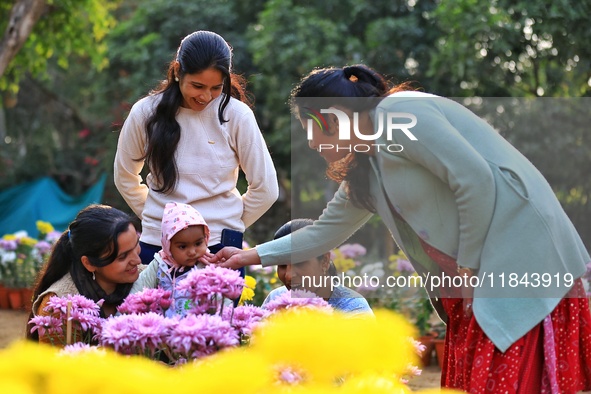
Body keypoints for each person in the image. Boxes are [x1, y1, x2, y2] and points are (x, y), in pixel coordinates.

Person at [208, 65, 591, 393]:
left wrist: (469, 268)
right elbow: (323, 232)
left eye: (315, 124)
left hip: (516, 256)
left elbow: (474, 180)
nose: (311, 139)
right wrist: (249, 255)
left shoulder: (402, 112)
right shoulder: (366, 168)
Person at [114, 30, 278, 266]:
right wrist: (162, 220)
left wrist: (228, 222)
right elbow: (125, 176)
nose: (206, 96)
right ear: (178, 71)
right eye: (198, 86)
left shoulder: (237, 115)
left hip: (219, 251)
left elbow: (266, 188)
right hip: (158, 247)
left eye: (216, 88)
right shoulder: (145, 113)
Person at [27, 204, 142, 341]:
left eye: (136, 245)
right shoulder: (59, 306)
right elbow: (55, 362)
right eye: (122, 257)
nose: (137, 260)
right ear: (89, 263)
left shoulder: (151, 277)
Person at [262, 218, 373, 317]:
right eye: (282, 265)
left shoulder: (354, 311)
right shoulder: (276, 299)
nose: (289, 275)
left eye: (299, 263)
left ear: (324, 261)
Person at [130, 201, 210, 317]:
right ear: (168, 246)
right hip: (161, 328)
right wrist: (123, 317)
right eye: (183, 246)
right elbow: (137, 291)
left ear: (206, 238)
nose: (192, 252)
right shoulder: (160, 264)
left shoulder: (207, 266)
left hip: (199, 329)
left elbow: (220, 298)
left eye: (198, 243)